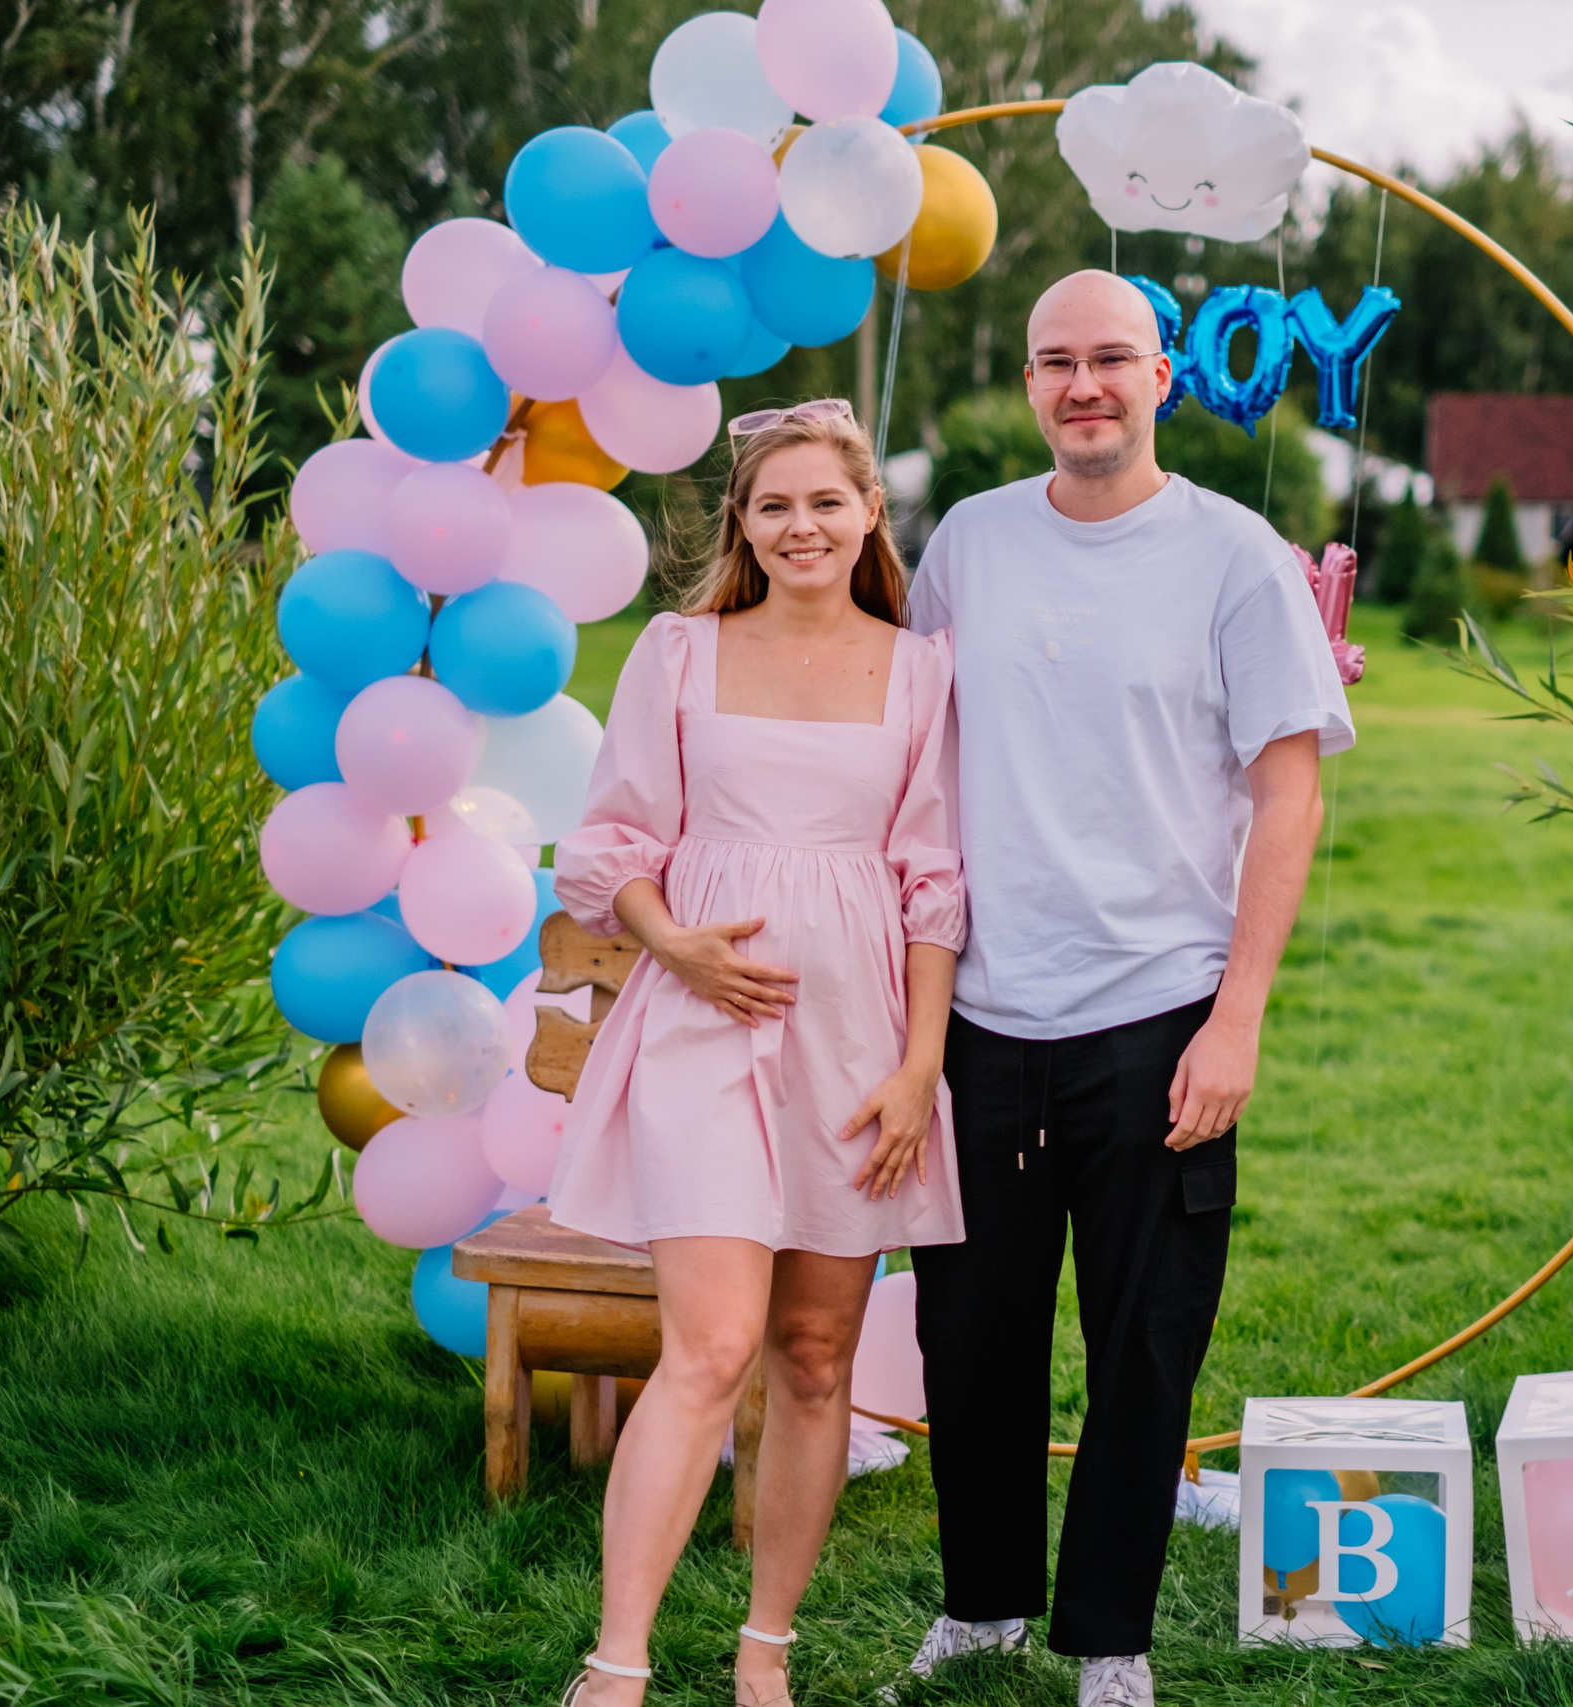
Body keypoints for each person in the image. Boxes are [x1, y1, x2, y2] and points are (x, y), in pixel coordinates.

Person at [902, 272, 1355, 1707]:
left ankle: (1111, 1641)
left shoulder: (1231, 558)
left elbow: (1289, 796)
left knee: (1145, 1349)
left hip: (1162, 1013)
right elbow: (910, 759)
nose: (1082, 385)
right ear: (1031, 384)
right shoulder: (969, 543)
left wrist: (1238, 1017)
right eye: (1055, 363)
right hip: (982, 1016)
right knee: (967, 1339)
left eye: (1111, 358)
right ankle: (979, 1610)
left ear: (1164, 373)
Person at [546, 399, 967, 1707]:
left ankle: (763, 1653)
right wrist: (676, 946)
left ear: (868, 517)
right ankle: (617, 1663)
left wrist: (916, 1070)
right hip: (703, 1032)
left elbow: (936, 880)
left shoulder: (920, 672)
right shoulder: (679, 654)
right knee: (714, 1344)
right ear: (743, 523)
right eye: (774, 505)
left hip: (856, 1046)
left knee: (815, 1356)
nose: (802, 525)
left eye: (826, 502)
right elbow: (609, 852)